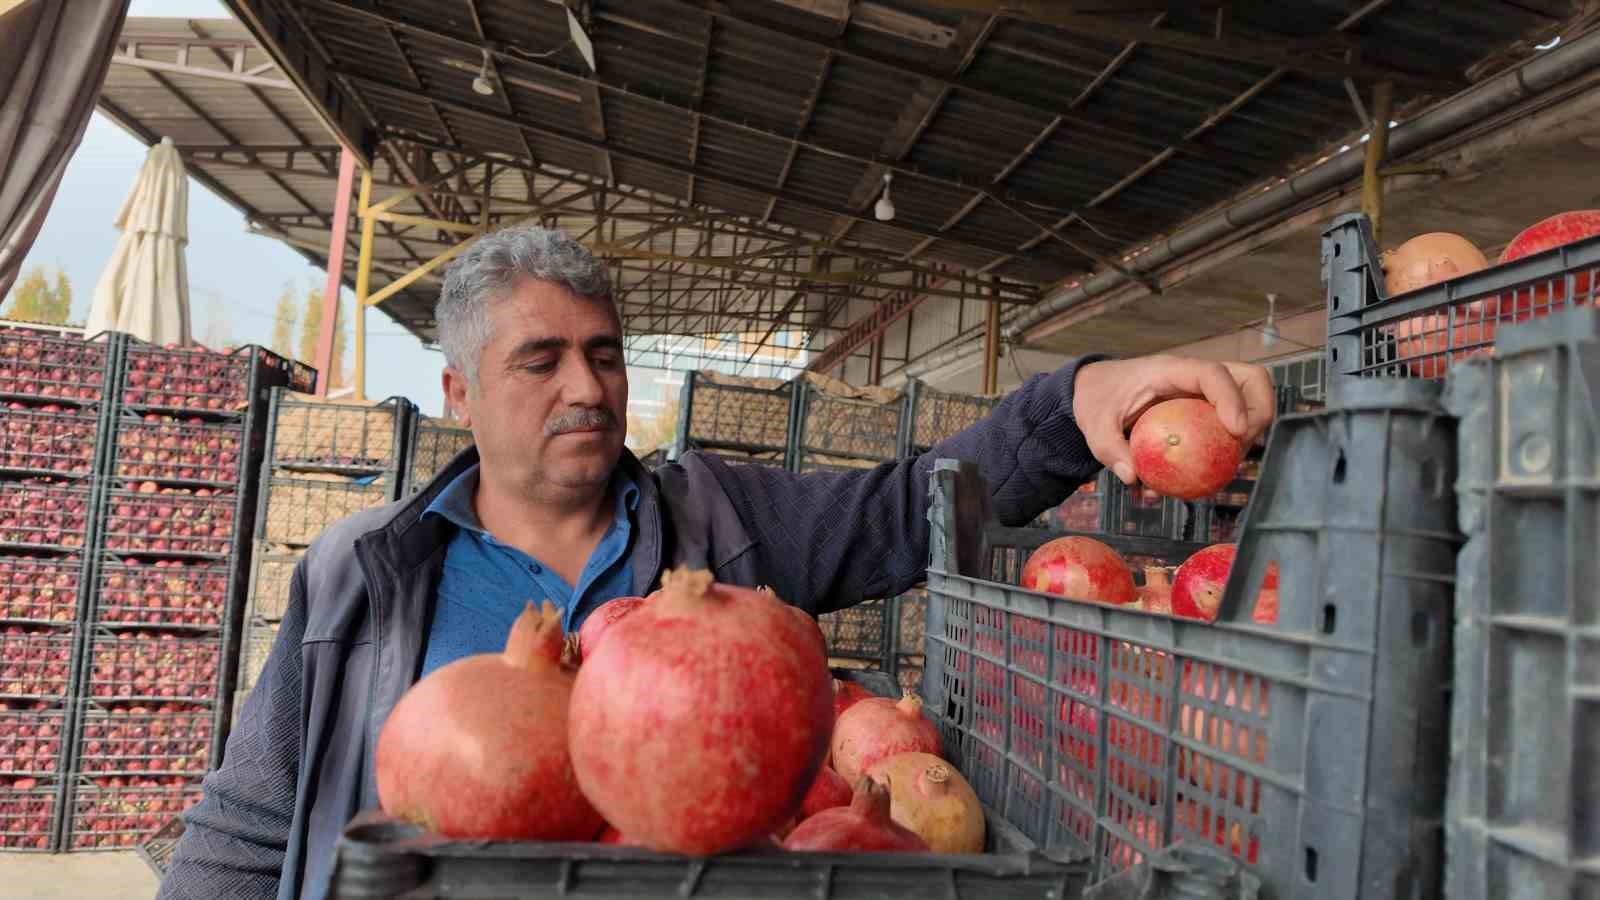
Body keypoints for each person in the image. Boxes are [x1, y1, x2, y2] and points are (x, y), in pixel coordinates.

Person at [156, 225, 1275, 900]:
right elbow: (253, 821)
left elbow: (900, 508)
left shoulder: (721, 523)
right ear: (458, 392)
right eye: (539, 361)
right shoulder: (365, 566)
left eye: (602, 356)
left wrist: (1066, 404)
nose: (585, 389)